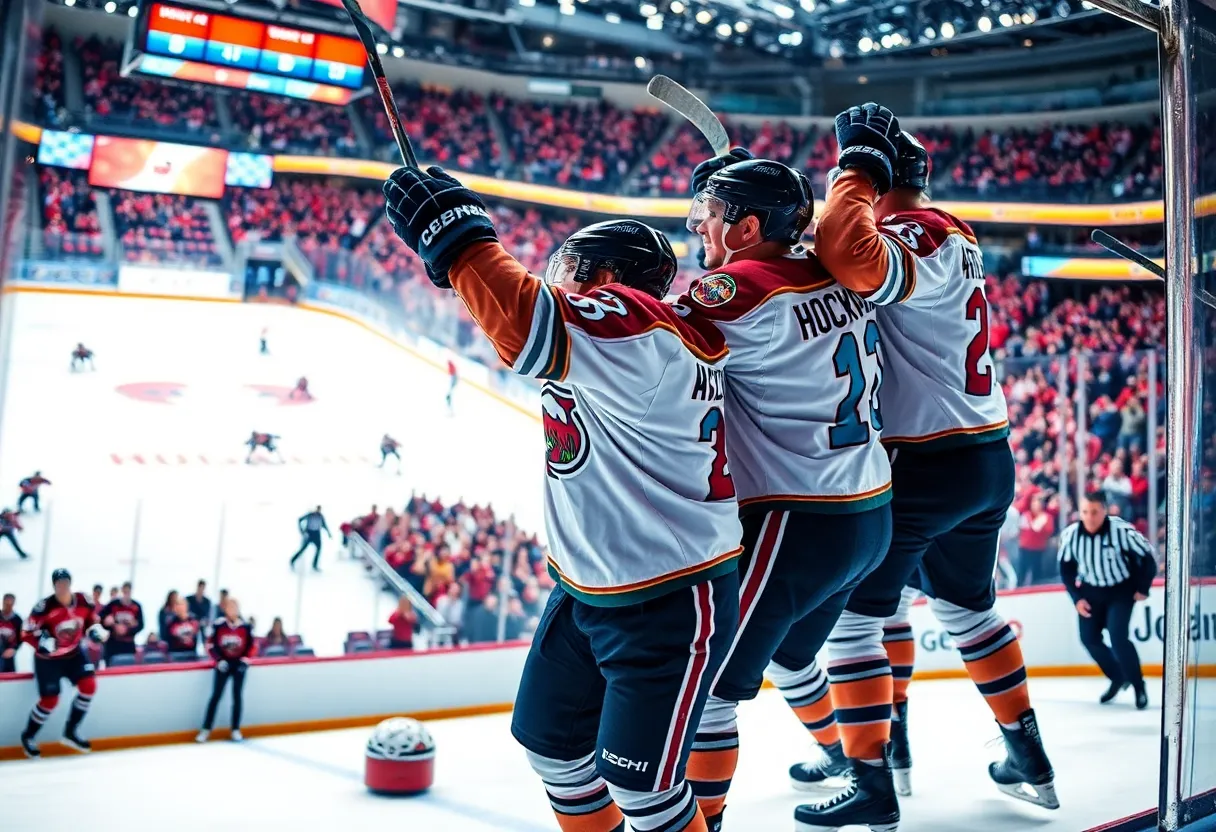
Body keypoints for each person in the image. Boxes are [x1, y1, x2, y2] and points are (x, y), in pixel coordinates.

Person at [383, 166, 743, 832]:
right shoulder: (634, 338)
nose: (554, 279)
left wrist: (459, 238)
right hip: (586, 590)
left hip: (666, 599)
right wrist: (463, 276)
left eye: (570, 268)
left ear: (607, 283)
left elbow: (526, 321)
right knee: (552, 748)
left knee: (647, 793)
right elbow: (521, 320)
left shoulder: (638, 324)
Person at [792, 109, 1056, 829]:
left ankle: (872, 774)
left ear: (880, 186)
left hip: (922, 460)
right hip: (984, 453)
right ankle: (1026, 754)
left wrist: (853, 165)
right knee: (967, 609)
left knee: (855, 621)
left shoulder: (913, 235)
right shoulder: (952, 232)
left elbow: (848, 255)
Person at [672, 155, 893, 830]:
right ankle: (869, 784)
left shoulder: (732, 289)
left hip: (800, 519)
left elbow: (647, 345)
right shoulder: (837, 270)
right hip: (869, 508)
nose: (700, 229)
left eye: (710, 216)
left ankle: (703, 822)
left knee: (708, 688)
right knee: (796, 652)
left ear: (743, 230)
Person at [1058, 491, 1157, 709]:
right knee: (1088, 638)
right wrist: (1076, 599)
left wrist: (1143, 588)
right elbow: (1066, 570)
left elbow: (1148, 557)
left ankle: (1139, 686)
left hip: (1121, 591)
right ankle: (1118, 677)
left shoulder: (1121, 530)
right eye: (1085, 512)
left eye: (1094, 512)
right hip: (1091, 592)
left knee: (1118, 638)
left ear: (1105, 511)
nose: (1090, 517)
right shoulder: (1071, 535)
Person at [19, 568, 101, 757]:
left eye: (65, 583)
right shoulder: (44, 607)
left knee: (89, 685)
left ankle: (70, 731)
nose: (62, 587)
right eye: (59, 584)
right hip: (48, 661)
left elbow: (90, 620)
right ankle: (28, 736)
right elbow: (25, 632)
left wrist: (95, 630)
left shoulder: (84, 600)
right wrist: (41, 644)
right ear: (54, 585)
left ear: (70, 584)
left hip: (74, 654)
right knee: (50, 700)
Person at [196, 597, 255, 743]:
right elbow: (210, 645)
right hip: (223, 665)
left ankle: (235, 729)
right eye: (230, 607)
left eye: (235, 606)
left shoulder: (245, 627)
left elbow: (252, 646)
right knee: (216, 696)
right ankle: (206, 729)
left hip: (238, 665)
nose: (233, 610)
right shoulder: (218, 625)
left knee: (237, 696)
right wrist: (218, 660)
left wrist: (245, 659)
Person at [99, 582, 144, 666]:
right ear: (122, 590)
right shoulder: (113, 604)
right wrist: (108, 622)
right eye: (125, 591)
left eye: (128, 591)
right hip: (112, 644)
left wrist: (128, 630)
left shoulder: (136, 606)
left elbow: (141, 625)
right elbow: (100, 618)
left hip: (128, 645)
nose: (126, 593)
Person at [1018, 495, 1055, 587]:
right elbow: (1023, 529)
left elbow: (1049, 530)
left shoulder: (1046, 517)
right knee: (1022, 571)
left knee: (1037, 572)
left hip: (1038, 549)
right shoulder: (1026, 515)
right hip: (1025, 548)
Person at [291, 505, 331, 571]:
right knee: (303, 548)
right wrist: (302, 531)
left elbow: (324, 525)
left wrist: (328, 533)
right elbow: (300, 519)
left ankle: (314, 565)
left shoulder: (320, 516)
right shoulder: (310, 515)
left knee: (319, 548)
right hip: (309, 533)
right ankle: (292, 561)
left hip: (317, 534)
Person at [0, 593, 22, 673]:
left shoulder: (17, 620)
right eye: (6, 602)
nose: (8, 605)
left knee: (9, 675)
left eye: (11, 603)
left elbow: (21, 638)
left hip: (9, 655)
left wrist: (14, 649)